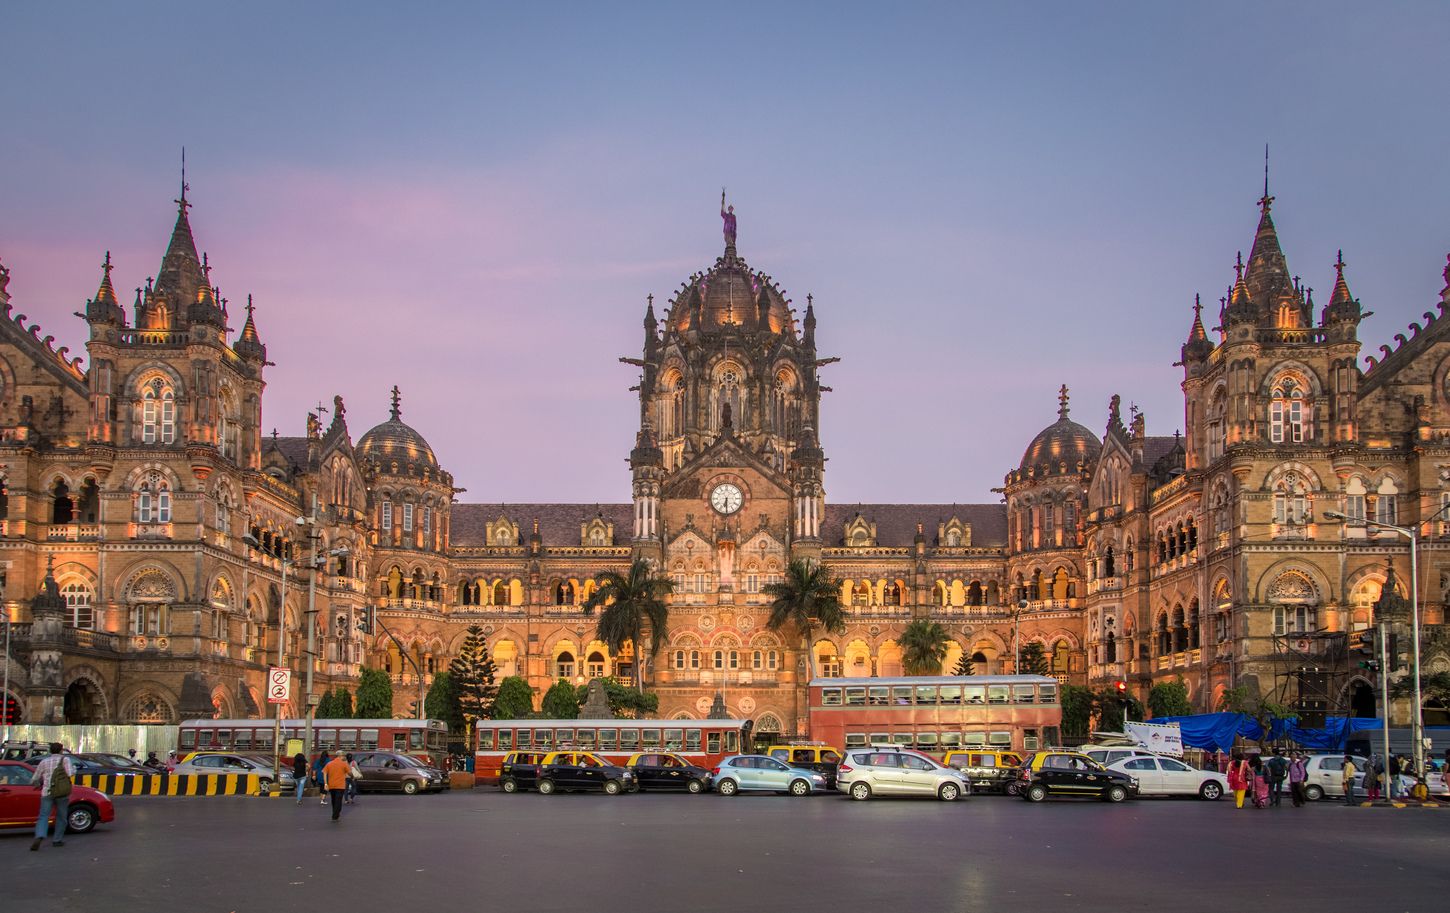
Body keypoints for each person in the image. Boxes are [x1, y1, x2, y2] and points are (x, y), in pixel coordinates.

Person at [29, 743, 75, 851]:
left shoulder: (44, 762)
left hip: (46, 793)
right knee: (61, 817)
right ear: (61, 751)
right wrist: (74, 769)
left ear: (50, 751)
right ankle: (57, 840)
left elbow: (34, 778)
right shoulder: (65, 760)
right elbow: (69, 774)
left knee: (43, 816)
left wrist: (38, 784)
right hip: (61, 793)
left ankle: (40, 835)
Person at [323, 752, 350, 821]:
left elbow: (324, 773)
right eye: (344, 756)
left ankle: (335, 813)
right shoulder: (344, 764)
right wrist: (352, 776)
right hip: (340, 786)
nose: (345, 757)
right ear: (341, 756)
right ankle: (335, 815)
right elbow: (349, 772)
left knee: (334, 800)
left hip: (331, 785)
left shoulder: (329, 763)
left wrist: (326, 783)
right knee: (338, 801)